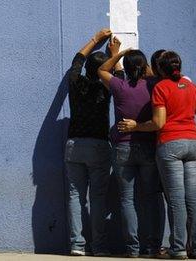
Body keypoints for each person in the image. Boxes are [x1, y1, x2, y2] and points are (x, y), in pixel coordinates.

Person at [117, 51, 196, 259]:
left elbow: (158, 123)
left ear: (159, 69)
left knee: (176, 199)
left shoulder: (161, 87)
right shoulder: (191, 86)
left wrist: (136, 126)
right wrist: (195, 139)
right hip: (192, 144)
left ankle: (178, 248)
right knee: (193, 198)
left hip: (170, 145)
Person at [98, 48, 165, 258]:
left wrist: (119, 54)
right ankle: (154, 246)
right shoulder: (154, 85)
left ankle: (133, 249)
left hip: (123, 148)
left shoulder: (119, 86)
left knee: (127, 200)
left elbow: (102, 69)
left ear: (125, 68)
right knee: (152, 198)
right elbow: (152, 73)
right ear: (144, 66)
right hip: (147, 147)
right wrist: (141, 61)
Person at [65, 28, 123, 256]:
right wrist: (115, 55)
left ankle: (77, 245)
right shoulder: (106, 88)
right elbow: (119, 79)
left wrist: (95, 40)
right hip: (99, 145)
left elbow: (76, 61)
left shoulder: (75, 84)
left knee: (74, 196)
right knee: (97, 198)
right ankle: (99, 246)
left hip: (74, 145)